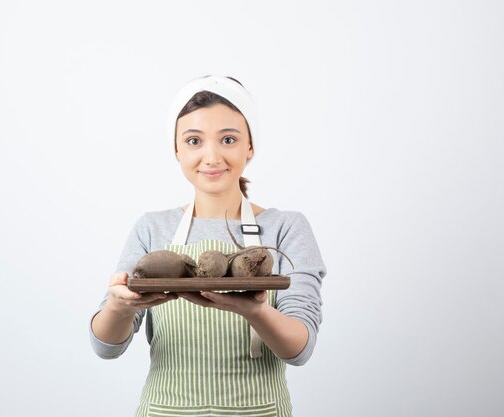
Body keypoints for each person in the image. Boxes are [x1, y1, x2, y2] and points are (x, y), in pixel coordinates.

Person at [90, 75, 327, 417]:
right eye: (194, 141)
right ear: (176, 149)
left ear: (250, 146)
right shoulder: (152, 228)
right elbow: (105, 347)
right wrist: (119, 306)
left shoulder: (286, 227)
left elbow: (300, 349)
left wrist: (255, 310)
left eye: (228, 139)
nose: (211, 156)